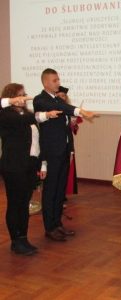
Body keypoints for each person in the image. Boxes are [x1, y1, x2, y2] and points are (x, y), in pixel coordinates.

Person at [33, 68, 98, 242]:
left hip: (62, 152)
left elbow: (65, 125)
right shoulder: (41, 100)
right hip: (51, 153)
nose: (58, 82)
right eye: (55, 80)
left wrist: (70, 149)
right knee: (50, 191)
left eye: (58, 79)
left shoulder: (55, 100)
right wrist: (81, 111)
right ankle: (49, 227)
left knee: (60, 190)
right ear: (46, 82)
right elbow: (60, 107)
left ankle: (57, 224)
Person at [0, 83, 61, 255]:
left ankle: (23, 238)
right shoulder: (5, 115)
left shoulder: (26, 114)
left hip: (28, 165)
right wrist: (46, 114)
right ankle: (15, 241)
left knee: (24, 203)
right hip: (13, 166)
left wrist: (41, 163)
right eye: (20, 95)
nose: (24, 97)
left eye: (24, 94)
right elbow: (25, 120)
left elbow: (36, 144)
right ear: (11, 96)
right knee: (15, 203)